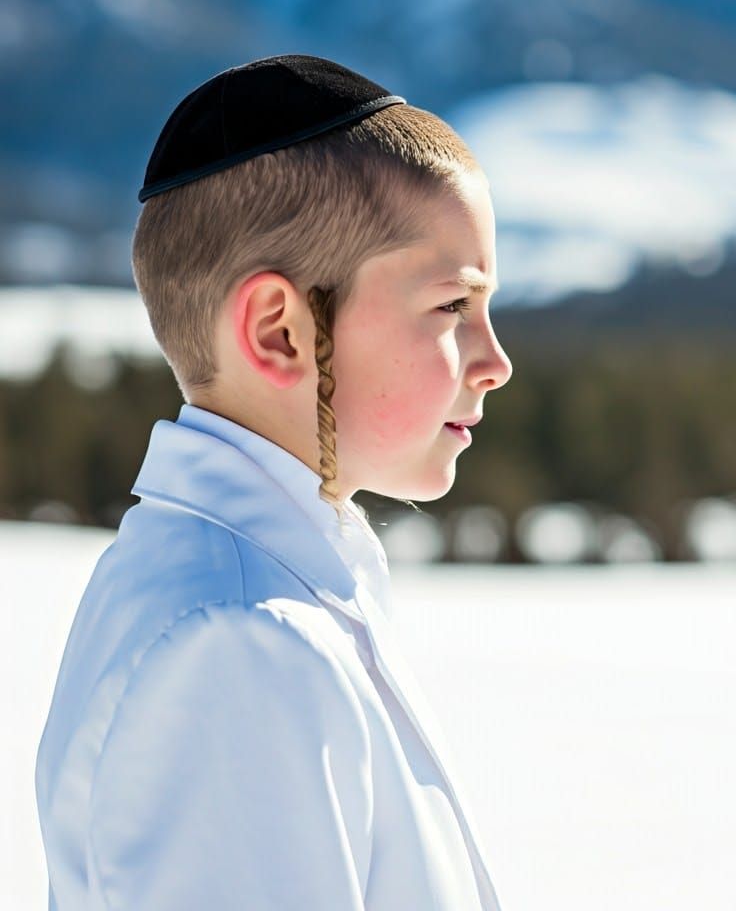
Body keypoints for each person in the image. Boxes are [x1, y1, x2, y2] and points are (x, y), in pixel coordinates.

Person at [34, 54, 514, 910]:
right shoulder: (238, 642)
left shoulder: (261, 594)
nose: (496, 363)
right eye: (451, 307)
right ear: (280, 331)